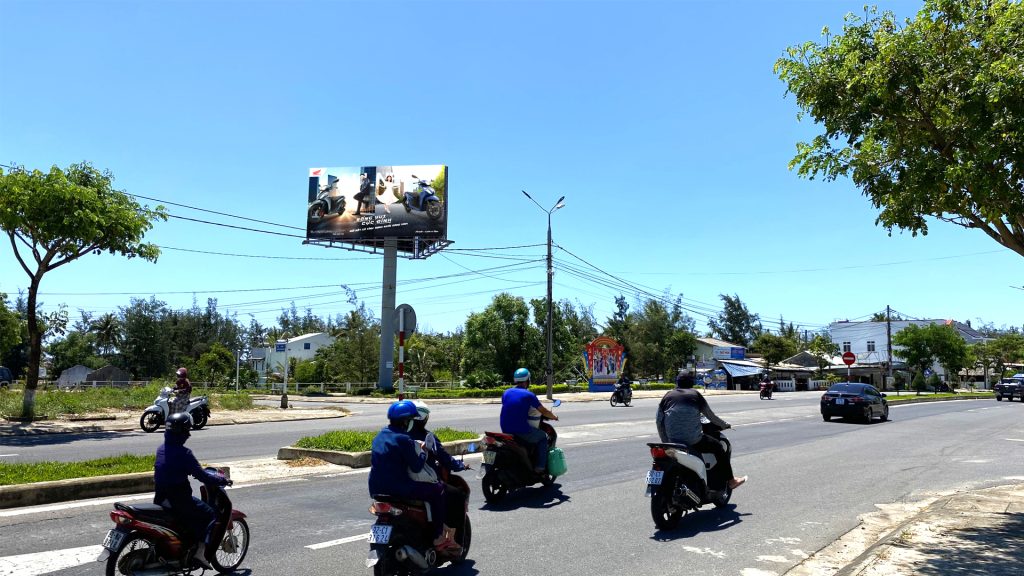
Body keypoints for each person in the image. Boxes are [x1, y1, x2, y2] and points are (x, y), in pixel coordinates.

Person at [368, 400, 458, 553]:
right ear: (407, 421)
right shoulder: (404, 439)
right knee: (438, 490)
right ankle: (438, 536)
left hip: (375, 488)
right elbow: (416, 466)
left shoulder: (380, 435)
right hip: (399, 488)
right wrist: (424, 450)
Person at [154, 412, 230, 569]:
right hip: (178, 500)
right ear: (181, 432)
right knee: (209, 514)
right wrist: (222, 480)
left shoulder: (162, 449)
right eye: (186, 430)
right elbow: (203, 476)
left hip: (161, 499)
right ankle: (199, 554)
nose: (188, 434)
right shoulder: (185, 453)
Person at [656, 372, 747, 490]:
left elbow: (659, 421)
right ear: (691, 383)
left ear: (677, 383)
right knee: (718, 447)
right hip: (694, 441)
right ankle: (731, 481)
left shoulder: (667, 396)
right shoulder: (695, 395)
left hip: (673, 442)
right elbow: (710, 416)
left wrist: (666, 442)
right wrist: (724, 425)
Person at [409, 401, 467, 547]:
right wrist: (459, 466)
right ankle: (445, 537)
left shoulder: (393, 436)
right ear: (424, 419)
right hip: (423, 482)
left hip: (400, 483)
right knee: (456, 496)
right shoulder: (428, 437)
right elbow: (445, 458)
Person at [500, 368, 558, 474]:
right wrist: (554, 416)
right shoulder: (529, 395)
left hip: (505, 429)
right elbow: (543, 410)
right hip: (521, 430)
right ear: (528, 380)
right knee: (542, 438)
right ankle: (540, 468)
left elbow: (513, 407)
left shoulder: (506, 392)